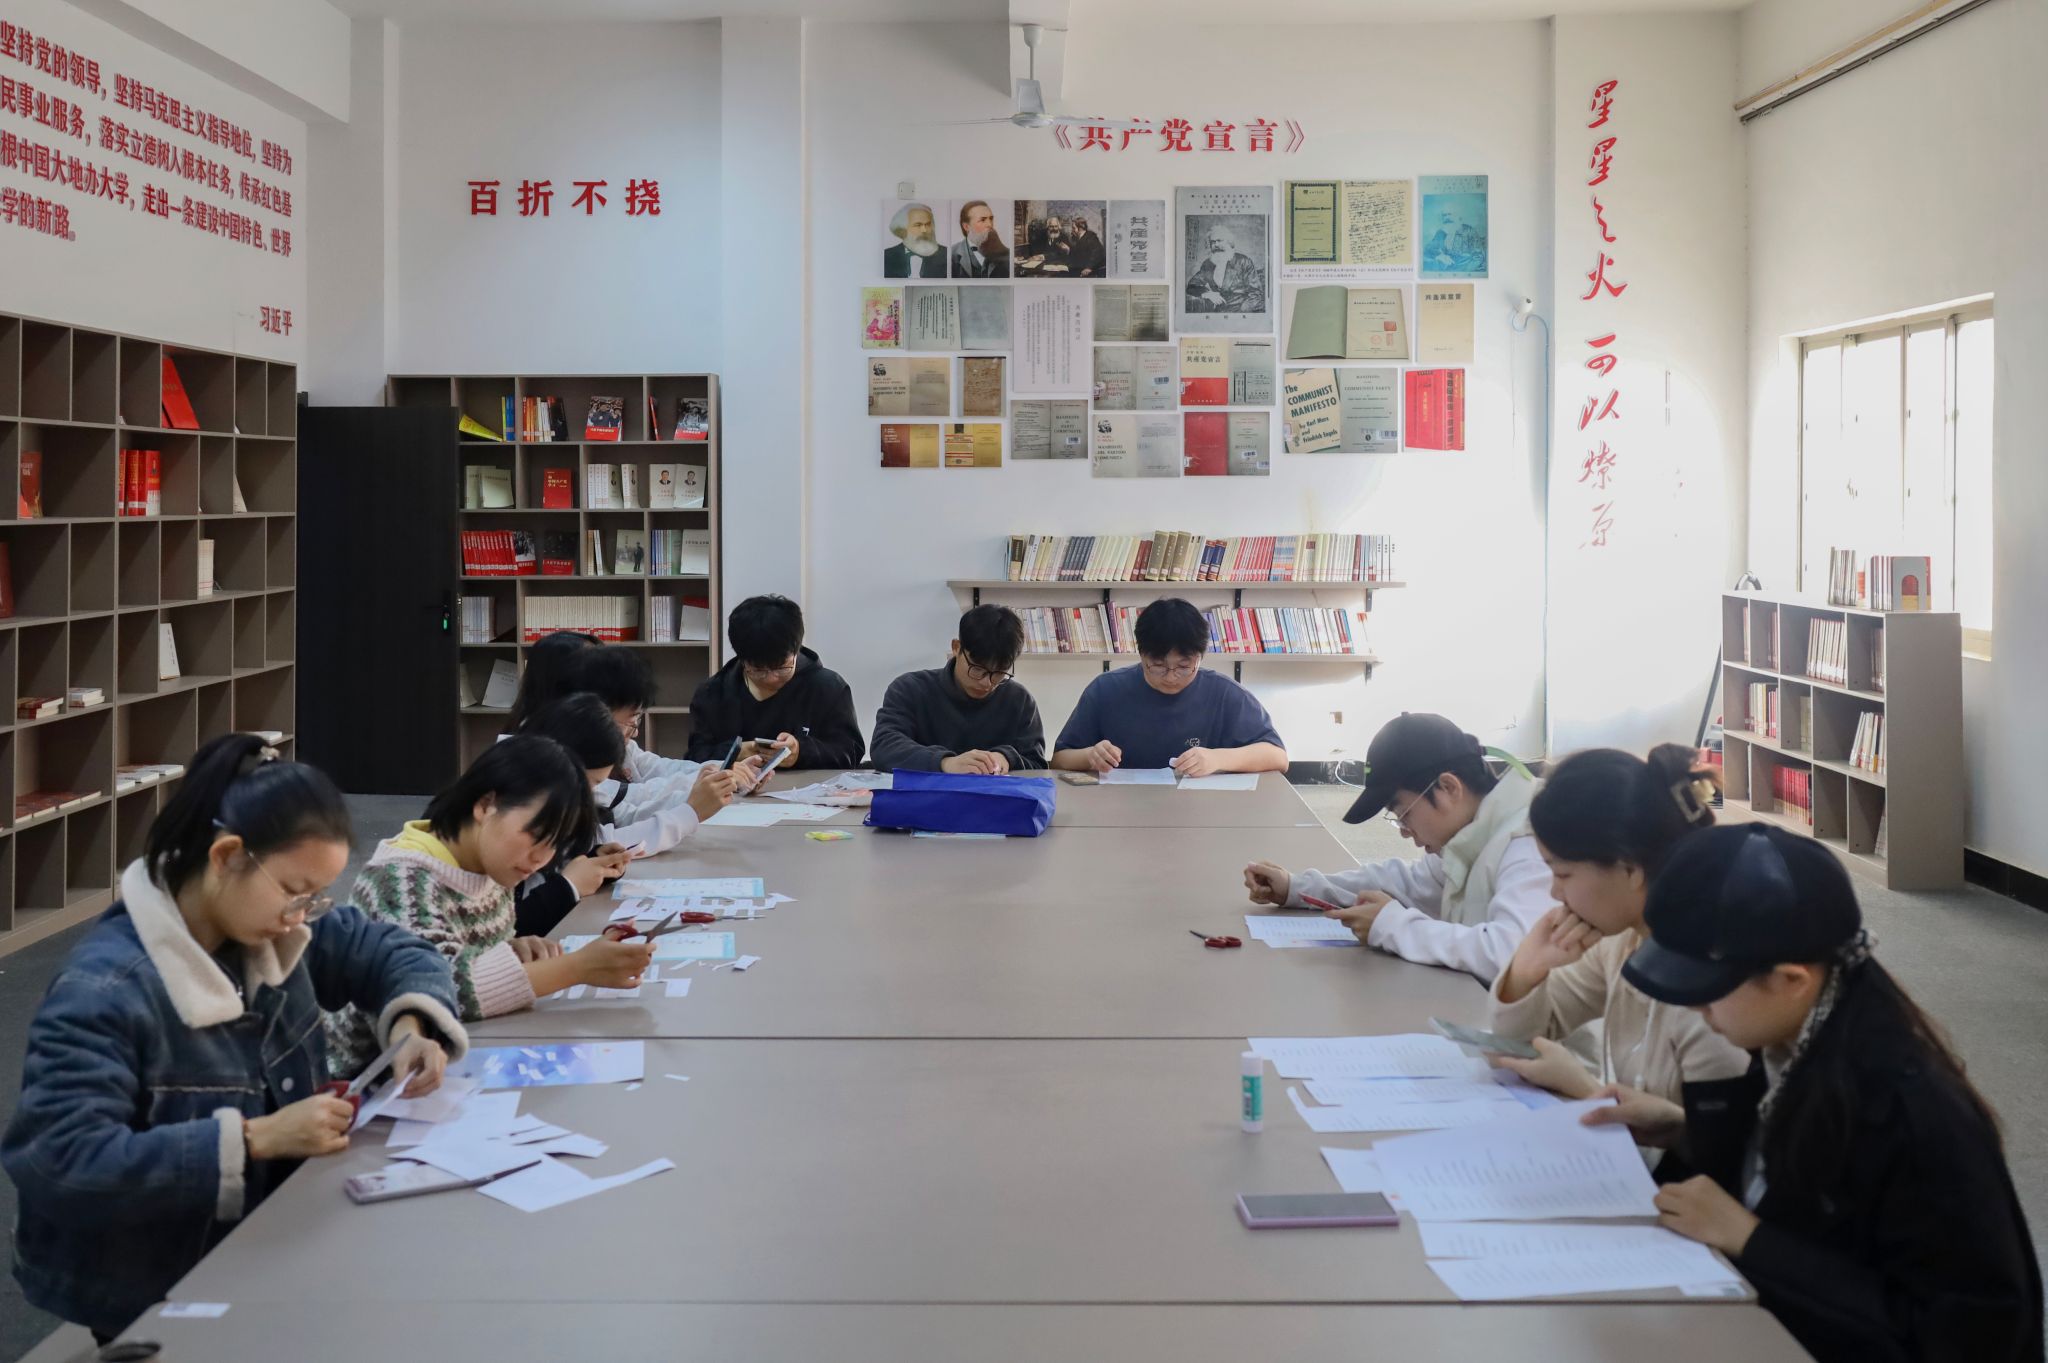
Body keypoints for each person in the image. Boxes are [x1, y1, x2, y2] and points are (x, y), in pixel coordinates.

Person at [2, 734, 468, 1342]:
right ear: (226, 857)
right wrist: (256, 1138)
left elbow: (393, 949)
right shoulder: (105, 992)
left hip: (271, 1240)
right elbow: (60, 1163)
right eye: (294, 891)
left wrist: (410, 1025)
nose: (302, 914)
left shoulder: (269, 926)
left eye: (314, 897)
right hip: (151, 1288)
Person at [1587, 824, 2042, 1363]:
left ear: (1791, 980)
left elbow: (1967, 1335)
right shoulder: (1793, 1040)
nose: (1694, 1009)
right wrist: (1685, 1129)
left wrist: (1751, 1240)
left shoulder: (1911, 1116)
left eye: (1707, 993)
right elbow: (1783, 1176)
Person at [326, 736, 654, 1073]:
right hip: (370, 1082)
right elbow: (441, 990)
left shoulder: (489, 865)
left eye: (554, 845)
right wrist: (577, 968)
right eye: (535, 835)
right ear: (486, 805)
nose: (541, 858)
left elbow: (461, 954)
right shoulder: (401, 879)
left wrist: (509, 950)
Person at [1482, 745, 1749, 1108]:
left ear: (1629, 869)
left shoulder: (1707, 978)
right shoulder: (1623, 938)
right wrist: (1525, 972)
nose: (1554, 892)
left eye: (1563, 874)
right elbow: (1512, 1049)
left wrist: (1587, 1091)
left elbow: (1717, 1139)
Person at [1242, 713, 1548, 985]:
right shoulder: (1469, 836)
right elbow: (1402, 884)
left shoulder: (1529, 843)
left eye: (1403, 813)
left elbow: (1513, 954)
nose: (1403, 830)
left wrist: (1394, 926)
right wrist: (1296, 887)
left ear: (1449, 788)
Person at [1050, 598, 1286, 777]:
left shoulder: (1225, 693)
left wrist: (1218, 759)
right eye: (1158, 666)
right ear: (1141, 655)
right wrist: (1090, 756)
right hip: (1123, 809)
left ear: (1200, 657)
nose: (1171, 677)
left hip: (1203, 811)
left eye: (1184, 667)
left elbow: (1277, 757)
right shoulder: (1105, 690)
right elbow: (1060, 759)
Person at [565, 645, 755, 848]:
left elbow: (659, 769)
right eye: (631, 720)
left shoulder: (618, 747)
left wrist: (718, 771)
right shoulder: (574, 767)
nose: (635, 732)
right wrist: (695, 803)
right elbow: (630, 807)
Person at [685, 594, 865, 769]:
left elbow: (851, 752)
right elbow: (694, 757)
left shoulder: (828, 688)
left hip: (807, 789)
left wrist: (801, 752)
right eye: (758, 670)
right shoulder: (713, 693)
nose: (771, 678)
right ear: (742, 659)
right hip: (737, 789)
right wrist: (736, 752)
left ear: (795, 652)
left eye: (782, 668)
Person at [511, 693, 634, 936]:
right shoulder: (514, 818)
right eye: (589, 782)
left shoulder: (552, 810)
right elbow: (509, 926)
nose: (589, 795)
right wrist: (569, 887)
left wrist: (593, 864)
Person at [870, 604, 1045, 773]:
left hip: (994, 794)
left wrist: (1007, 758)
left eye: (999, 673)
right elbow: (884, 747)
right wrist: (945, 762)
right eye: (977, 669)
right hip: (926, 793)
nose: (986, 683)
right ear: (956, 648)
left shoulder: (1020, 700)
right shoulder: (909, 689)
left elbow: (1037, 763)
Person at [1186, 224, 1264, 313]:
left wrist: (1240, 314)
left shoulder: (1243, 261)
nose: (1216, 245)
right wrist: (1208, 294)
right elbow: (1191, 286)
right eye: (1213, 242)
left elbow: (1256, 294)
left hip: (1241, 310)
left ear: (1229, 242)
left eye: (1219, 240)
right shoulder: (1208, 264)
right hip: (1219, 311)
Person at [883, 201, 947, 278]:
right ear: (903, 228)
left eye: (928, 224)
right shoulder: (886, 256)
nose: (924, 230)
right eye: (918, 225)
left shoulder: (946, 255)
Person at [950, 199, 1010, 278]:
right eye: (982, 220)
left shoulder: (1004, 253)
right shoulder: (951, 254)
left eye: (991, 219)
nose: (990, 224)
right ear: (966, 227)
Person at [1063, 212, 1106, 277]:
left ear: (1080, 228)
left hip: (1093, 270)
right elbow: (1079, 255)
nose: (1072, 231)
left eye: (1073, 228)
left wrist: (1088, 267)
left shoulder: (1091, 237)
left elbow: (1097, 253)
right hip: (1082, 269)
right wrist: (1068, 250)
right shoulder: (1078, 239)